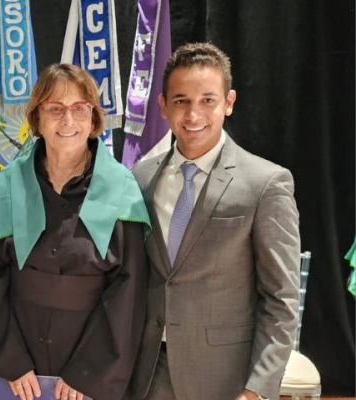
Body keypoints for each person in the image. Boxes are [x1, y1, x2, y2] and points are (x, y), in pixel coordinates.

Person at [128, 43, 301, 400]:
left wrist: (257, 389)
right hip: (146, 374)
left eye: (207, 100)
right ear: (163, 105)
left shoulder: (266, 183)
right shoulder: (140, 177)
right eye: (181, 101)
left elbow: (281, 299)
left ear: (229, 102)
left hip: (226, 379)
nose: (193, 114)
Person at [0, 63, 150, 400]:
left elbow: (129, 292)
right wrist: (11, 360)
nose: (68, 120)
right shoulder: (10, 185)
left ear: (94, 118)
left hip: (89, 372)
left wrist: (88, 372)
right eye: (55, 109)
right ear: (37, 119)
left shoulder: (121, 190)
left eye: (79, 108)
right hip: (18, 370)